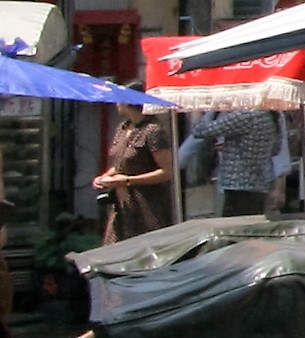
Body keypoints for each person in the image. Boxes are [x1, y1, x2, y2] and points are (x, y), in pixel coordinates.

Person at [90, 105, 178, 244]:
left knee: (147, 246)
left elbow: (167, 171)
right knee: (117, 248)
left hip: (148, 205)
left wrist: (128, 180)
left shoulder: (153, 130)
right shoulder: (123, 128)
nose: (117, 105)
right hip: (123, 205)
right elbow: (121, 163)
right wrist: (104, 177)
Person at [186, 106, 289, 219]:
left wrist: (197, 110)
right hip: (259, 184)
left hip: (238, 185)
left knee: (235, 226)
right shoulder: (271, 116)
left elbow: (200, 130)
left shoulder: (245, 115)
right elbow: (275, 150)